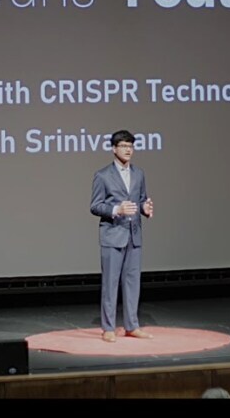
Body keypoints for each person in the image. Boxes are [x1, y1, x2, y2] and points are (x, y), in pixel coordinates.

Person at [90, 130, 155, 342]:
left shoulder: (139, 173)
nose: (128, 150)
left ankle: (132, 326)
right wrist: (117, 209)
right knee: (110, 283)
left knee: (132, 282)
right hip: (113, 235)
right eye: (124, 146)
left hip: (134, 235)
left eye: (131, 146)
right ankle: (108, 328)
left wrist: (145, 208)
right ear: (114, 149)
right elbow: (95, 206)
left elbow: (142, 199)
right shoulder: (102, 175)